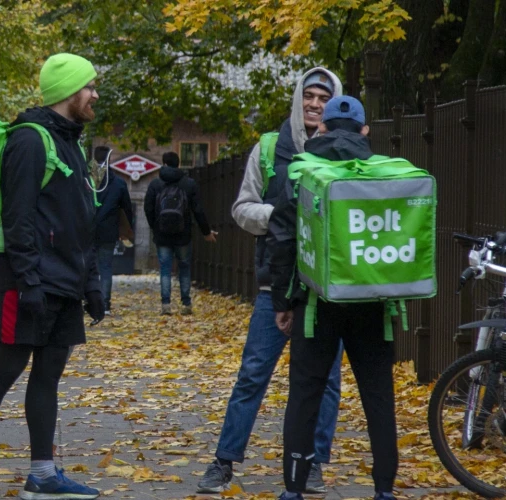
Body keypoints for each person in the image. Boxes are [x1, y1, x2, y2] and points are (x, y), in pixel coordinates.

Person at [0, 53, 105, 500]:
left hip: (66, 283)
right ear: (69, 91)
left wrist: (90, 283)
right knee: (6, 370)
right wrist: (29, 283)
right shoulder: (31, 141)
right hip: (29, 282)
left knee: (48, 375)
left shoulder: (70, 142)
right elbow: (18, 221)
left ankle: (43, 474)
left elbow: (81, 219)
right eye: (89, 87)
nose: (95, 95)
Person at [196, 67, 345, 495]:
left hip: (326, 289)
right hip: (273, 285)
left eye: (324, 97)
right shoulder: (266, 148)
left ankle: (314, 463)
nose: (315, 104)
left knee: (328, 382)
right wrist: (282, 216)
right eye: (309, 96)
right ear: (298, 99)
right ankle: (223, 463)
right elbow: (242, 209)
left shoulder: (346, 150)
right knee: (253, 375)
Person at [268, 96, 399, 500]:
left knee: (305, 396)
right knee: (378, 397)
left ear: (320, 129)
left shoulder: (301, 172)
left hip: (315, 304)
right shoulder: (381, 175)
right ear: (365, 132)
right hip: (372, 302)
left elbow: (284, 239)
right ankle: (383, 491)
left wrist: (282, 302)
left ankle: (293, 489)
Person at [144, 151, 216, 315]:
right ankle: (186, 304)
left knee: (165, 269)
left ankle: (166, 304)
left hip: (162, 234)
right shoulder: (189, 184)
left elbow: (148, 208)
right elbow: (198, 210)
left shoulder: (155, 184)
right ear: (178, 164)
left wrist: (154, 227)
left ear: (164, 164)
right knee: (184, 267)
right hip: (183, 234)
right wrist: (206, 231)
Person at [91, 146, 134, 317]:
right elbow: (127, 209)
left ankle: (88, 301)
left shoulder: (87, 180)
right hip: (109, 230)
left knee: (88, 267)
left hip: (87, 229)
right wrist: (125, 229)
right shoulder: (119, 183)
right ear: (109, 160)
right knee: (106, 267)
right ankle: (105, 304)